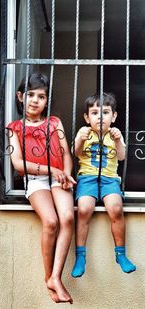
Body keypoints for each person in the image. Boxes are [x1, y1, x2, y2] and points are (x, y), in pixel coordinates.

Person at [7, 72, 76, 303]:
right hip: (36, 180)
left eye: (41, 96)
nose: (35, 100)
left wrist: (65, 173)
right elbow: (18, 163)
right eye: (30, 95)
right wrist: (52, 170)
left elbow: (66, 152)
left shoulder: (55, 122)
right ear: (20, 96)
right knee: (51, 221)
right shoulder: (14, 128)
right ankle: (49, 278)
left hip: (59, 176)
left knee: (67, 217)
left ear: (47, 101)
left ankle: (55, 277)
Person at [71, 93, 136, 278]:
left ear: (114, 116)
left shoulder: (115, 134)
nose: (100, 117)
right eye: (94, 112)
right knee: (83, 208)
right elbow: (75, 153)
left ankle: (121, 254)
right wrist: (80, 139)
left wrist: (117, 140)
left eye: (105, 112)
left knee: (116, 208)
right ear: (87, 117)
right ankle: (81, 256)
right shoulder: (84, 132)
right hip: (87, 179)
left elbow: (122, 156)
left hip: (109, 180)